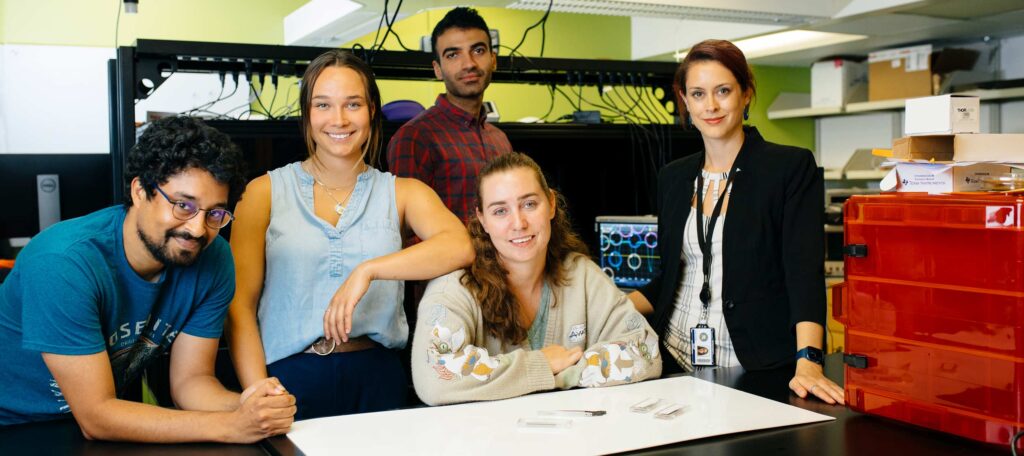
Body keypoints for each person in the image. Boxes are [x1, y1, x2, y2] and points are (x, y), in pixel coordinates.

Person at [0, 116, 297, 442]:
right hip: (15, 424)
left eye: (214, 213)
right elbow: (97, 417)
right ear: (140, 191)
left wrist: (249, 406)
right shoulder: (63, 263)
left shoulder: (213, 259)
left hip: (109, 422)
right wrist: (231, 426)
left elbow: (192, 381)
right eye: (183, 205)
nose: (198, 229)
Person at [226, 50, 473, 420]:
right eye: (322, 105)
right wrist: (256, 389)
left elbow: (460, 246)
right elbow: (239, 308)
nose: (338, 119)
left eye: (352, 104)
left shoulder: (403, 192)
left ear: (372, 109)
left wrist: (368, 270)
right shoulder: (262, 193)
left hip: (378, 376)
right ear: (307, 114)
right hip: (288, 378)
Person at [628, 39, 843, 405]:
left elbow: (803, 274)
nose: (710, 105)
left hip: (753, 365)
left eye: (723, 91)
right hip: (675, 361)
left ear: (745, 94)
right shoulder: (674, 177)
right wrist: (602, 309)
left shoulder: (788, 169)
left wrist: (809, 360)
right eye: (697, 94)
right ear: (685, 101)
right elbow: (670, 277)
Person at [412, 153, 662, 406]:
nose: (519, 223)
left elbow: (647, 351)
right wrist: (541, 365)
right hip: (486, 439)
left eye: (529, 204)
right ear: (483, 220)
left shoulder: (582, 275)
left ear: (551, 204)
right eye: (500, 211)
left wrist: (563, 374)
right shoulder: (454, 288)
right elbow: (435, 380)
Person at [387, 6, 512, 223]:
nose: (469, 64)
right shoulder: (414, 138)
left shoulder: (500, 140)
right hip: (454, 258)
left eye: (478, 51)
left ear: (493, 59)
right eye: (453, 54)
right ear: (437, 68)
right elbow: (407, 232)